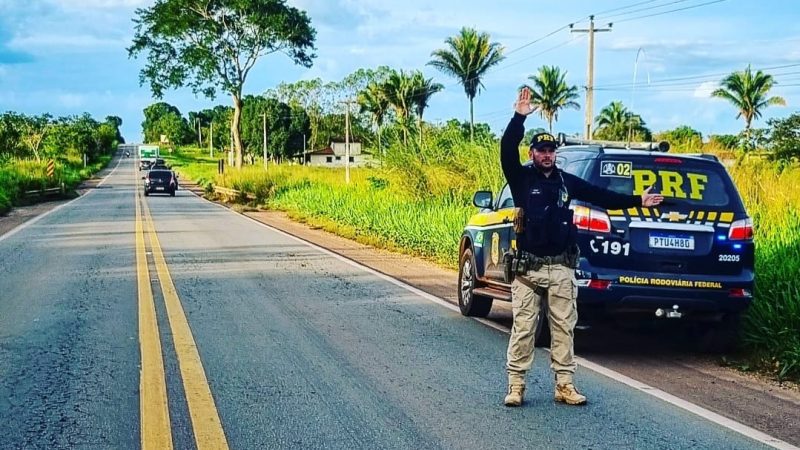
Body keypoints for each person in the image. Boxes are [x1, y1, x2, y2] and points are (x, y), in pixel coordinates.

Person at [501, 87, 663, 407]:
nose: (546, 154)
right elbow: (507, 149)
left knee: (564, 329)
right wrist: (519, 117)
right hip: (528, 270)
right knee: (523, 330)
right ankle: (516, 386)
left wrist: (638, 201)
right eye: (541, 150)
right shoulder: (522, 180)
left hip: (561, 268)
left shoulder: (566, 182)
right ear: (532, 153)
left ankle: (564, 385)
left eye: (550, 150)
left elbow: (603, 196)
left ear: (555, 154)